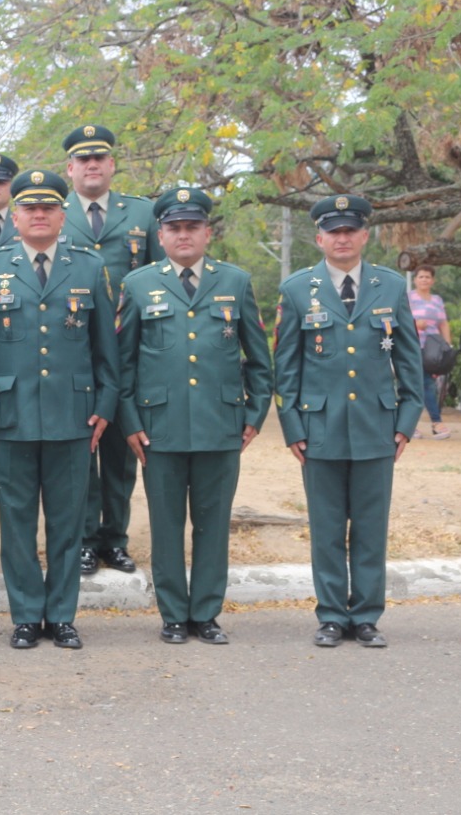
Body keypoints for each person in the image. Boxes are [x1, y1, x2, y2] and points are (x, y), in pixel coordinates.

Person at [0, 169, 119, 650]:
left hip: (75, 416)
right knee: (18, 520)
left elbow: (104, 351)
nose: (39, 215)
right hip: (8, 418)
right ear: (16, 214)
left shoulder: (89, 268)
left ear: (62, 213)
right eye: (29, 208)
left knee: (69, 521)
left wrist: (106, 407)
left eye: (48, 207)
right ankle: (28, 614)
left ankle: (63, 615)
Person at [117, 188, 272, 644]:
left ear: (207, 232)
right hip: (158, 427)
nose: (184, 235)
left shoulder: (236, 282)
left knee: (212, 524)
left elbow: (260, 361)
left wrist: (255, 415)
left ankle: (205, 613)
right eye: (174, 228)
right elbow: (124, 363)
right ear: (160, 235)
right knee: (166, 528)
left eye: (192, 227)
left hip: (220, 424)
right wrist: (130, 422)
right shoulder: (138, 284)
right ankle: (172, 615)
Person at [273, 194, 424, 648]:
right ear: (319, 237)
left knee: (371, 528)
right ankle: (333, 616)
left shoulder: (391, 286)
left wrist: (408, 420)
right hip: (319, 429)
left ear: (364, 235)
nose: (342, 238)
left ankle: (367, 617)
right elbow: (287, 367)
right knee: (326, 527)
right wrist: (293, 428)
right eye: (333, 231)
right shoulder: (298, 289)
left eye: (350, 230)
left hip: (377, 426)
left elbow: (409, 360)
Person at [59, 125, 163, 578]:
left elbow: (160, 276)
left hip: (129, 348)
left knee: (122, 451)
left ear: (112, 164)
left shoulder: (142, 212)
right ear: (70, 169)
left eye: (99, 158)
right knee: (82, 448)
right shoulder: (53, 212)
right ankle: (83, 539)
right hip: (73, 348)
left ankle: (114, 539)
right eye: (83, 160)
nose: (92, 166)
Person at [408, 265, 451, 439]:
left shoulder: (437, 300)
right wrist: (415, 324)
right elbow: (398, 319)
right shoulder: (407, 298)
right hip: (412, 346)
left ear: (433, 280)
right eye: (421, 277)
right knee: (424, 383)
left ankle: (412, 424)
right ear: (415, 280)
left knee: (425, 384)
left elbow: (443, 323)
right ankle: (436, 422)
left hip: (433, 350)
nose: (424, 280)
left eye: (427, 277)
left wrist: (447, 345)